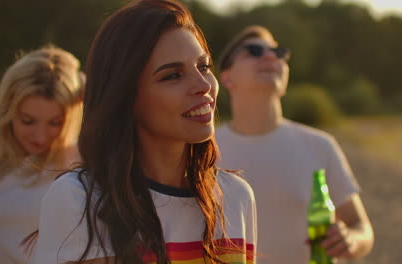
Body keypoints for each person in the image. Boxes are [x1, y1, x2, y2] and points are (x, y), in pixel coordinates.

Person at [29, 1, 256, 264]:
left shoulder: (236, 197)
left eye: (203, 67)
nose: (203, 85)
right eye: (172, 76)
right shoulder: (79, 199)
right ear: (126, 97)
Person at [215, 25, 374, 263]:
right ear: (226, 78)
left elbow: (362, 228)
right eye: (254, 51)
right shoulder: (203, 149)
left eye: (279, 53)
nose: (270, 56)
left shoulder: (320, 145)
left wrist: (350, 239)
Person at [0, 46, 84, 264]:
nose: (40, 136)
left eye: (55, 123)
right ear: (8, 108)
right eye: (27, 120)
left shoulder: (77, 160)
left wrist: (85, 89)